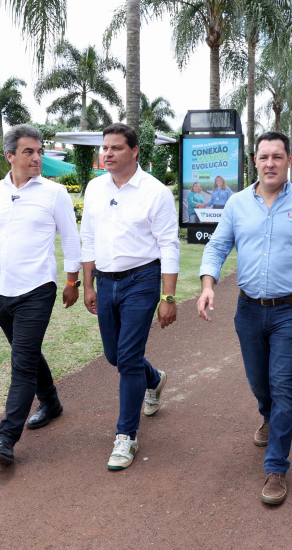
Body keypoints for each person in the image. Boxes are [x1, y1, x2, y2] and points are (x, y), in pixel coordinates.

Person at [197, 131, 292, 505]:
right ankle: (267, 415)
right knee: (259, 382)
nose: (270, 163)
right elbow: (218, 246)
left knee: (284, 387)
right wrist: (208, 284)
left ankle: (276, 466)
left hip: (291, 311)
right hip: (248, 310)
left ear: (288, 161)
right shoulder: (237, 203)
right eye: (264, 157)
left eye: (278, 156)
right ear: (255, 161)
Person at [0, 124, 82, 465]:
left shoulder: (54, 193)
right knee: (28, 353)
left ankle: (6, 439)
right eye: (29, 152)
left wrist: (72, 282)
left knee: (21, 364)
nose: (37, 157)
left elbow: (70, 240)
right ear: (10, 156)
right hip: (2, 293)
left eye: (39, 151)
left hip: (38, 289)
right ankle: (51, 402)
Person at [80, 122, 179, 471]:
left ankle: (127, 436)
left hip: (142, 280)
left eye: (115, 148)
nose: (107, 154)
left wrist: (168, 297)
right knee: (115, 356)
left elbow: (168, 244)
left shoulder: (155, 192)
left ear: (134, 151)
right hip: (105, 282)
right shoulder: (94, 189)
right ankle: (154, 379)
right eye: (104, 148)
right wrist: (88, 284)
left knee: (127, 356)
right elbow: (87, 238)